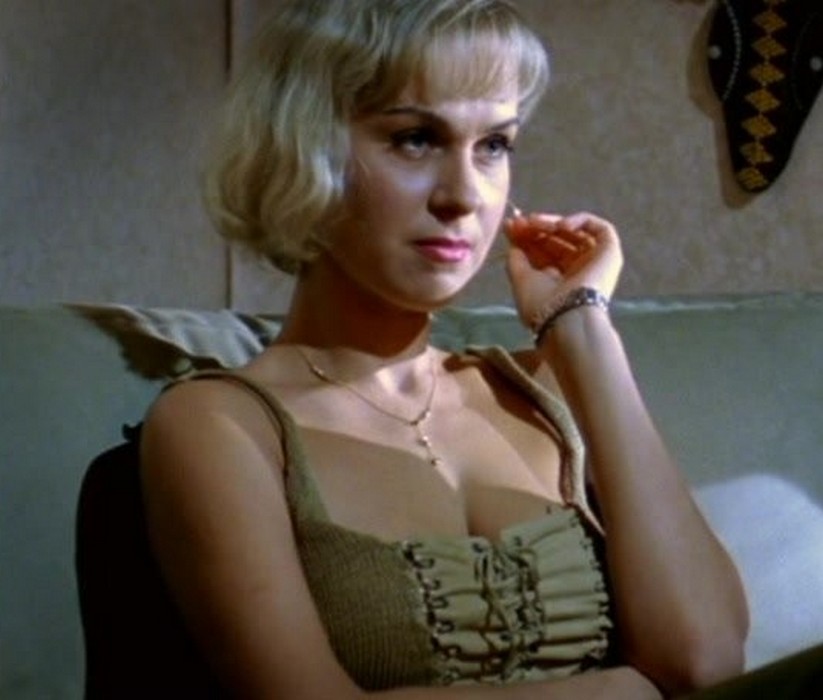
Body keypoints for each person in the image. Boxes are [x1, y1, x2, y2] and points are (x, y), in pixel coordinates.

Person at [136, 0, 752, 697]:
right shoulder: (219, 424)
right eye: (415, 139)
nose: (465, 195)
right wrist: (626, 691)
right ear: (302, 149)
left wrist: (581, 328)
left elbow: (705, 664)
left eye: (493, 145)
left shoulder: (541, 389)